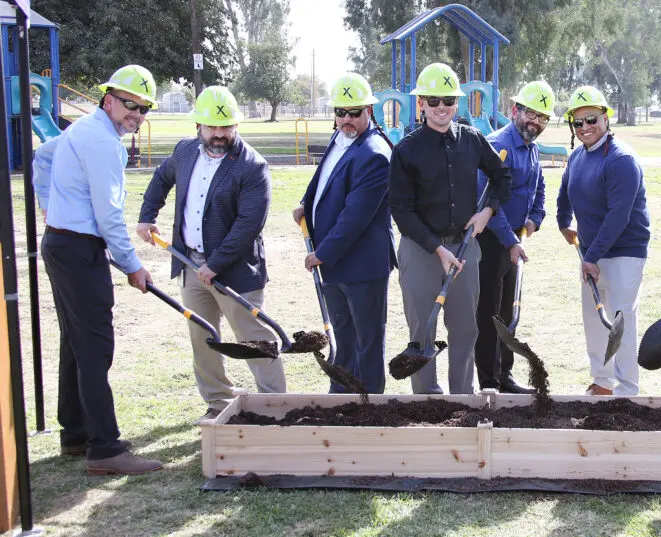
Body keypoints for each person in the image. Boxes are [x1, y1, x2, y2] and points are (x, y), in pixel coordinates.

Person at [33, 65, 163, 475]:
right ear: (107, 99)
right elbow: (109, 217)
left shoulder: (83, 129)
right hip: (77, 249)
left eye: (143, 109)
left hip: (61, 244)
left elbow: (41, 157)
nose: (136, 116)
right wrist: (133, 266)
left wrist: (49, 208)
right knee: (94, 347)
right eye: (130, 105)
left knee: (75, 342)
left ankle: (74, 433)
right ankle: (105, 448)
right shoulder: (105, 143)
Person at [137, 85, 285, 424]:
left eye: (226, 127)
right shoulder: (185, 151)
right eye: (212, 127)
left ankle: (278, 406)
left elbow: (249, 225)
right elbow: (161, 179)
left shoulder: (253, 167)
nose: (219, 134)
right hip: (190, 264)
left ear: (236, 126)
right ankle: (218, 401)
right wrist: (148, 215)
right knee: (202, 338)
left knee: (254, 339)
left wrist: (215, 265)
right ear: (198, 127)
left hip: (234, 271)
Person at [388, 63, 511, 394]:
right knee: (422, 332)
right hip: (421, 249)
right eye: (434, 100)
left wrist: (487, 212)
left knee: (464, 329)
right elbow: (401, 211)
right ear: (421, 104)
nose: (441, 108)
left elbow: (502, 178)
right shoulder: (406, 150)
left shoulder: (472, 141)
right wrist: (437, 248)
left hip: (465, 248)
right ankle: (427, 399)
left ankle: (462, 399)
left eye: (448, 101)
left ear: (457, 104)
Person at [292, 73, 396, 394]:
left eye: (354, 112)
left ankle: (370, 409)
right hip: (335, 264)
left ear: (369, 111)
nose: (347, 119)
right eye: (341, 112)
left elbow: (356, 216)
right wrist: (305, 205)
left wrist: (322, 253)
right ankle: (341, 402)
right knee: (343, 337)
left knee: (367, 343)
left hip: (362, 265)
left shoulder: (375, 154)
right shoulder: (341, 138)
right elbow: (325, 181)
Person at [556, 86, 650, 396]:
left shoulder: (621, 160)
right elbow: (564, 194)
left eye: (592, 119)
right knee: (595, 319)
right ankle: (601, 382)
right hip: (591, 253)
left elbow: (618, 216)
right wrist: (563, 223)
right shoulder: (577, 157)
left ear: (606, 118)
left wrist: (591, 257)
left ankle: (627, 389)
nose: (585, 128)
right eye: (578, 123)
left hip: (624, 252)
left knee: (621, 320)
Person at [473, 80, 554, 394]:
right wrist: (511, 240)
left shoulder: (531, 149)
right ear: (514, 110)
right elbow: (487, 200)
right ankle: (489, 381)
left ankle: (504, 375)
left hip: (514, 243)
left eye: (542, 117)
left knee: (508, 313)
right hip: (493, 243)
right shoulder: (498, 144)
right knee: (490, 314)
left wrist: (535, 218)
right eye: (530, 114)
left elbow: (539, 189)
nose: (535, 122)